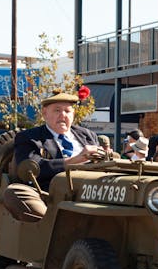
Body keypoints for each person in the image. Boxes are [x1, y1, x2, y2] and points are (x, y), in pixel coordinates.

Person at [5, 91, 104, 222]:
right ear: (45, 113)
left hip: (92, 192)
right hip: (50, 195)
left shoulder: (88, 135)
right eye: (57, 110)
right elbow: (33, 168)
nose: (63, 115)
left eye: (67, 111)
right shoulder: (30, 137)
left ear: (73, 114)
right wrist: (76, 160)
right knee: (15, 192)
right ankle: (49, 224)